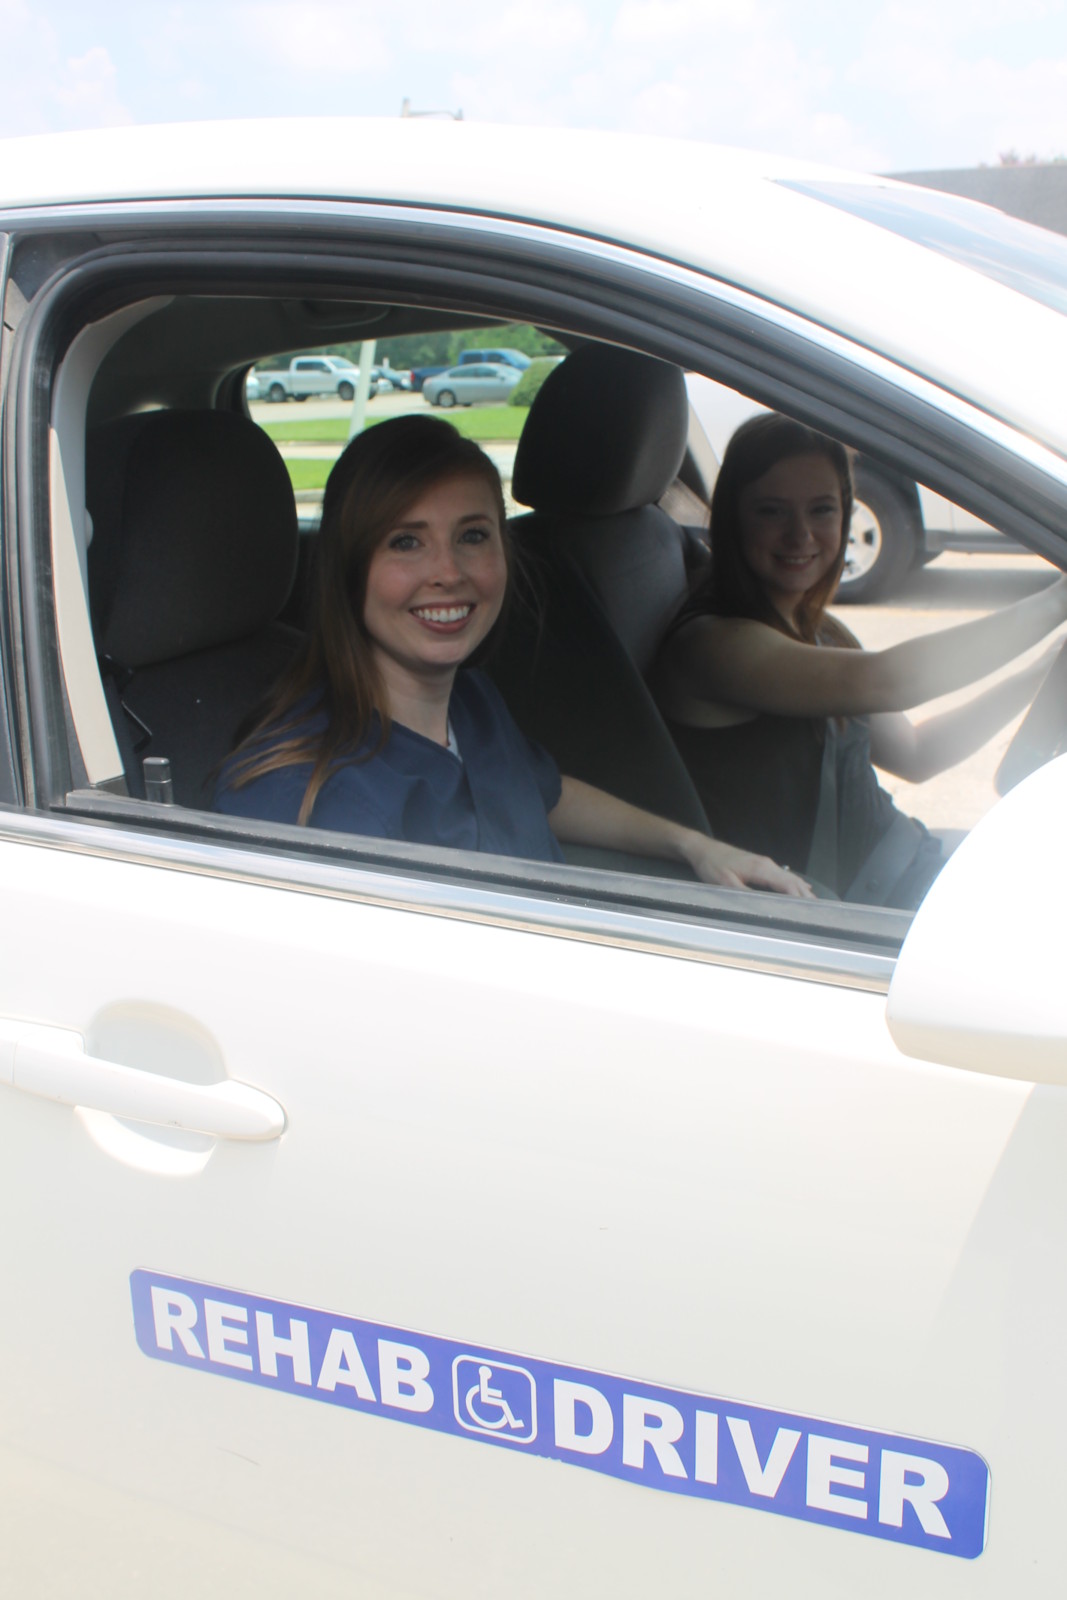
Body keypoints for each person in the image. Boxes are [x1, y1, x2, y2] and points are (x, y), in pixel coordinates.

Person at [215, 414, 808, 897]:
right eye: (406, 541)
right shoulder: (309, 801)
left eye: (473, 536)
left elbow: (540, 791)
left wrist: (695, 845)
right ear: (350, 568)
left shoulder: (470, 699)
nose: (448, 572)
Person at [652, 412, 1067, 909]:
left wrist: (1043, 670)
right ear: (733, 517)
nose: (800, 535)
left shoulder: (814, 628)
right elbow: (890, 680)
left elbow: (916, 753)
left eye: (822, 510)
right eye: (771, 511)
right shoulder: (715, 645)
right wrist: (1055, 601)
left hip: (905, 861)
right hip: (850, 910)